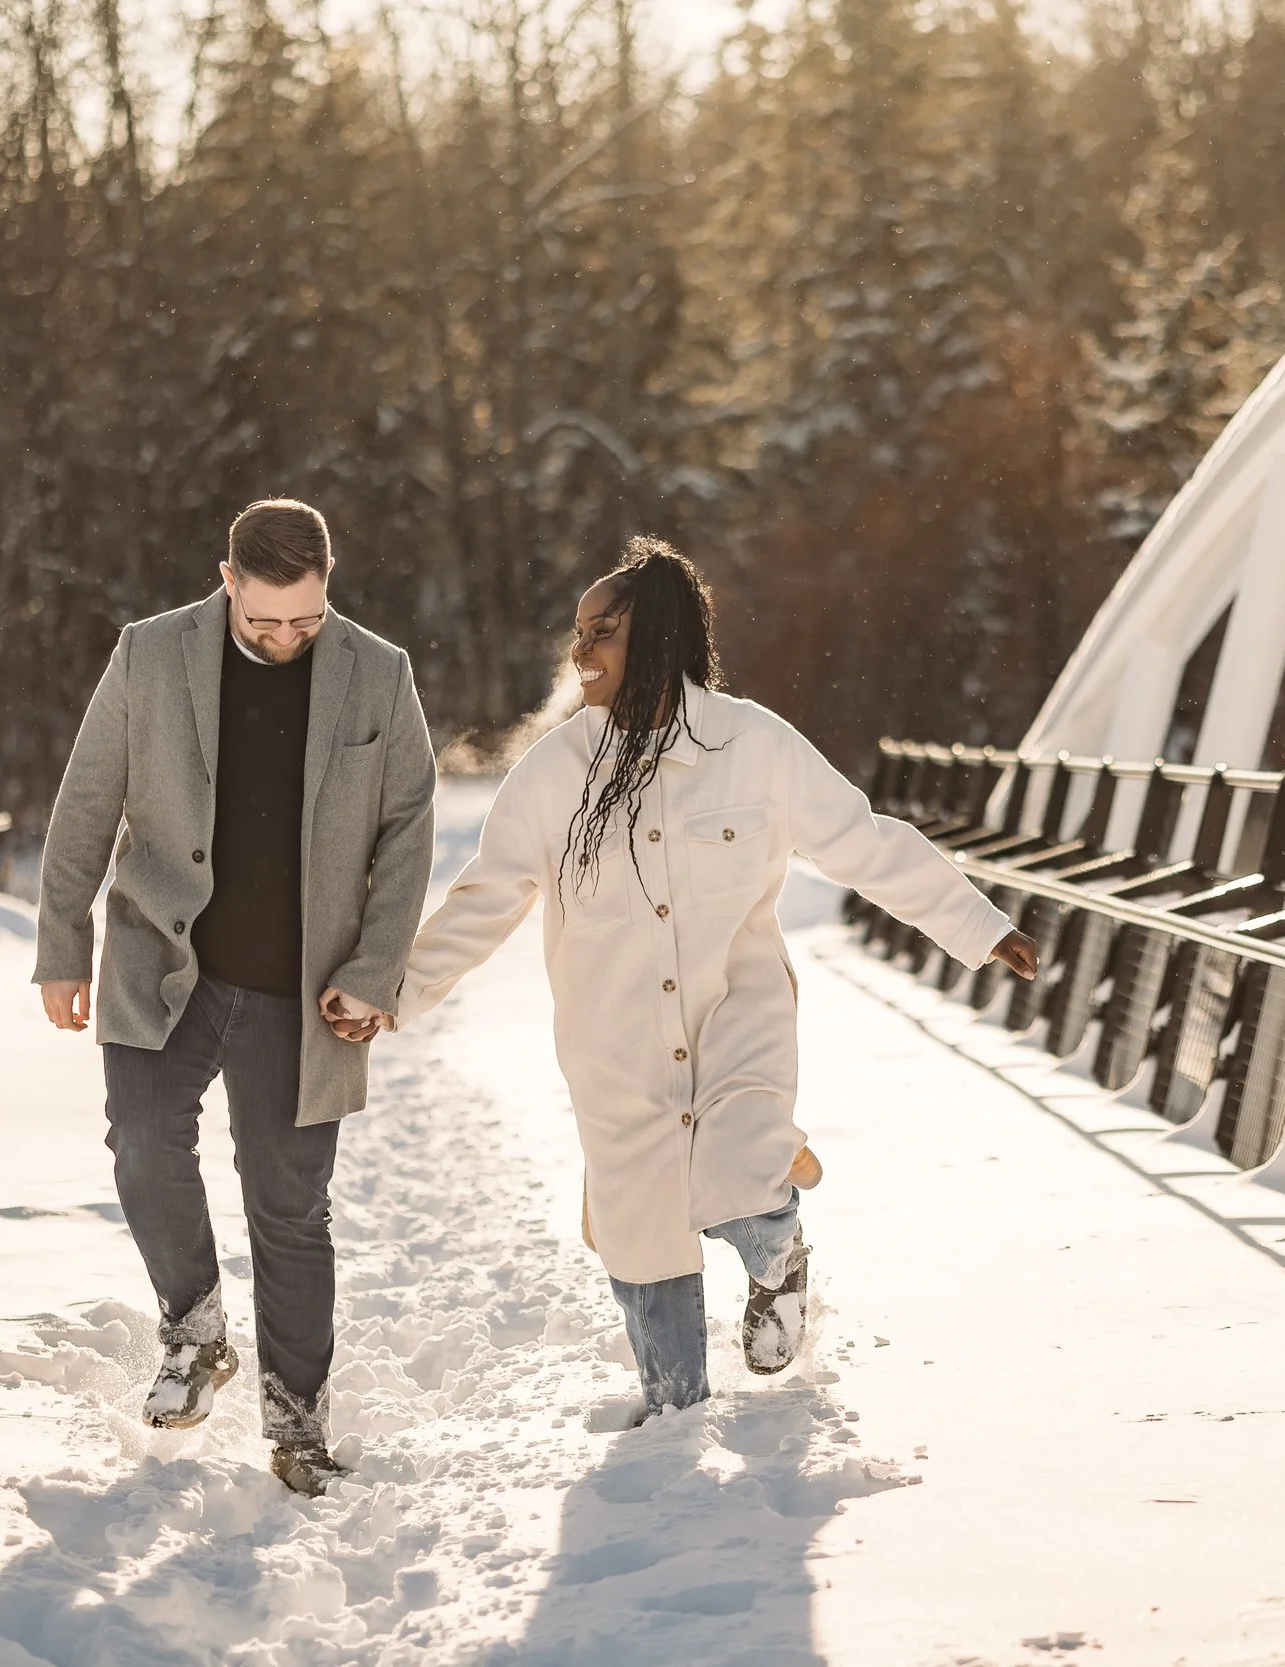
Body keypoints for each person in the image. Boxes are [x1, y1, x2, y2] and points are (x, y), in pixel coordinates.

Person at [391, 537, 1036, 1418]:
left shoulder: (754, 744)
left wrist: (976, 923)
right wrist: (395, 991)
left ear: (658, 635)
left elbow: (862, 838)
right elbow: (486, 896)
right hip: (613, 1042)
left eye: (603, 632)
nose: (580, 653)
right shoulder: (556, 772)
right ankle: (672, 1415)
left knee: (743, 1164)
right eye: (577, 633)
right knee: (643, 1230)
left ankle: (779, 1261)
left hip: (740, 1018)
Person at [33, 498, 435, 1494]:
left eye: (306, 617)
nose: (288, 637)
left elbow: (407, 827)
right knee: (140, 1136)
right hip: (165, 961)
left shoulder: (378, 673)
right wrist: (59, 947)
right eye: (266, 621)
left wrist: (374, 970)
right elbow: (88, 801)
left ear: (326, 586)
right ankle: (195, 1327)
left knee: (290, 1208)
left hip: (306, 990)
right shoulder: (149, 654)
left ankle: (299, 1423)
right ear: (227, 582)